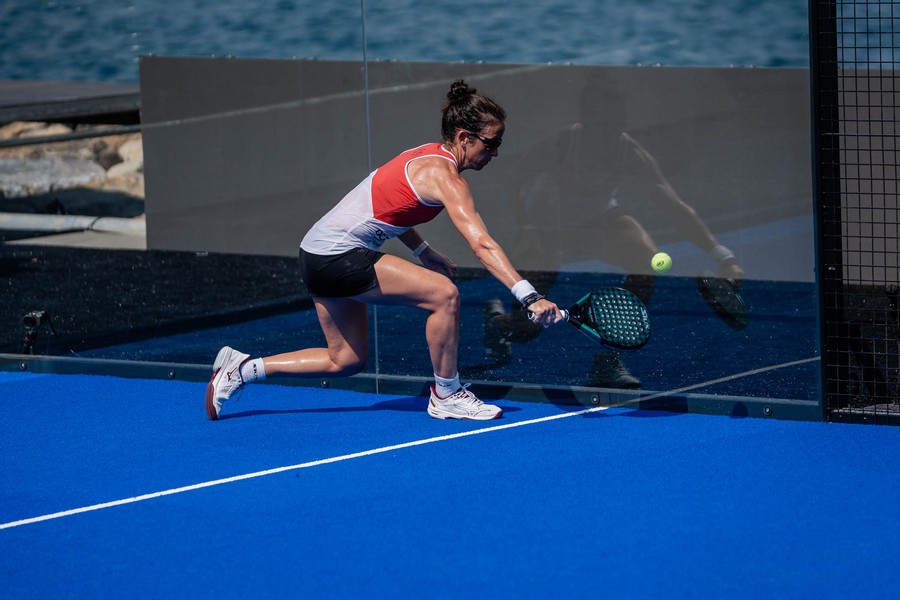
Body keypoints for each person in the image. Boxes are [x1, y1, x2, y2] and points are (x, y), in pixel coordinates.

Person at [206, 79, 562, 421]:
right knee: (444, 295)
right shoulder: (446, 178)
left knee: (345, 359)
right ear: (464, 137)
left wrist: (422, 249)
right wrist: (529, 297)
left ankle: (243, 369)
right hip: (337, 255)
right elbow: (482, 244)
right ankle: (447, 395)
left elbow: (391, 209)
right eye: (492, 142)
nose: (495, 152)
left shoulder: (423, 156)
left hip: (314, 253)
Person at [483, 77, 744, 389]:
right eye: (606, 119)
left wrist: (723, 256)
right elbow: (514, 180)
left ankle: (607, 360)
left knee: (646, 263)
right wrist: (526, 227)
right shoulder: (561, 143)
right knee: (527, 329)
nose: (614, 126)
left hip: (598, 224)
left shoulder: (629, 150)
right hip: (546, 230)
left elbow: (674, 206)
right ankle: (496, 322)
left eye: (619, 118)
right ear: (588, 117)